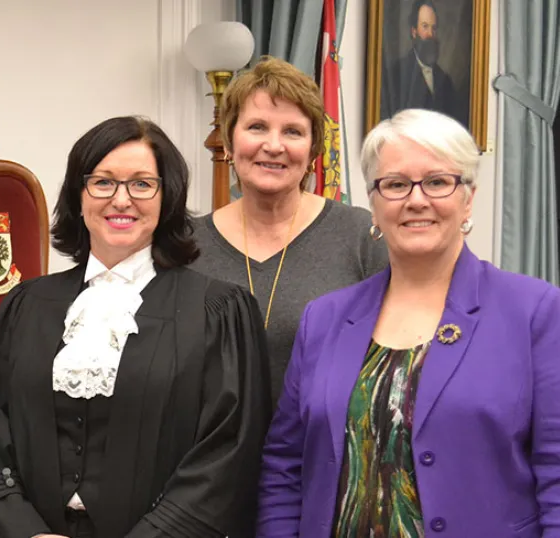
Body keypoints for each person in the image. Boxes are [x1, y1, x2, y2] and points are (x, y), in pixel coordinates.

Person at [257, 108, 560, 537]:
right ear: (374, 205)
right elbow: (284, 465)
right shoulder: (323, 319)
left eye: (437, 182)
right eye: (396, 184)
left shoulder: (535, 311)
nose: (416, 200)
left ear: (467, 197)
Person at [0, 116, 272, 538]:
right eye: (103, 182)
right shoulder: (25, 306)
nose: (121, 200)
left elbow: (227, 455)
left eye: (142, 184)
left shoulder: (218, 311)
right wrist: (24, 532)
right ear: (78, 195)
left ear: (168, 197)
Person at [190, 56, 388, 405]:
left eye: (293, 131)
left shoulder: (363, 237)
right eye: (257, 127)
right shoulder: (187, 244)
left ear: (313, 150)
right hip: (206, 455)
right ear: (230, 142)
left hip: (322, 454)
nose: (274, 145)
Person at [380, 0, 468, 127]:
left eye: (433, 28)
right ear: (414, 31)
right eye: (425, 26)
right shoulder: (396, 73)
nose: (430, 34)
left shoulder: (445, 80)